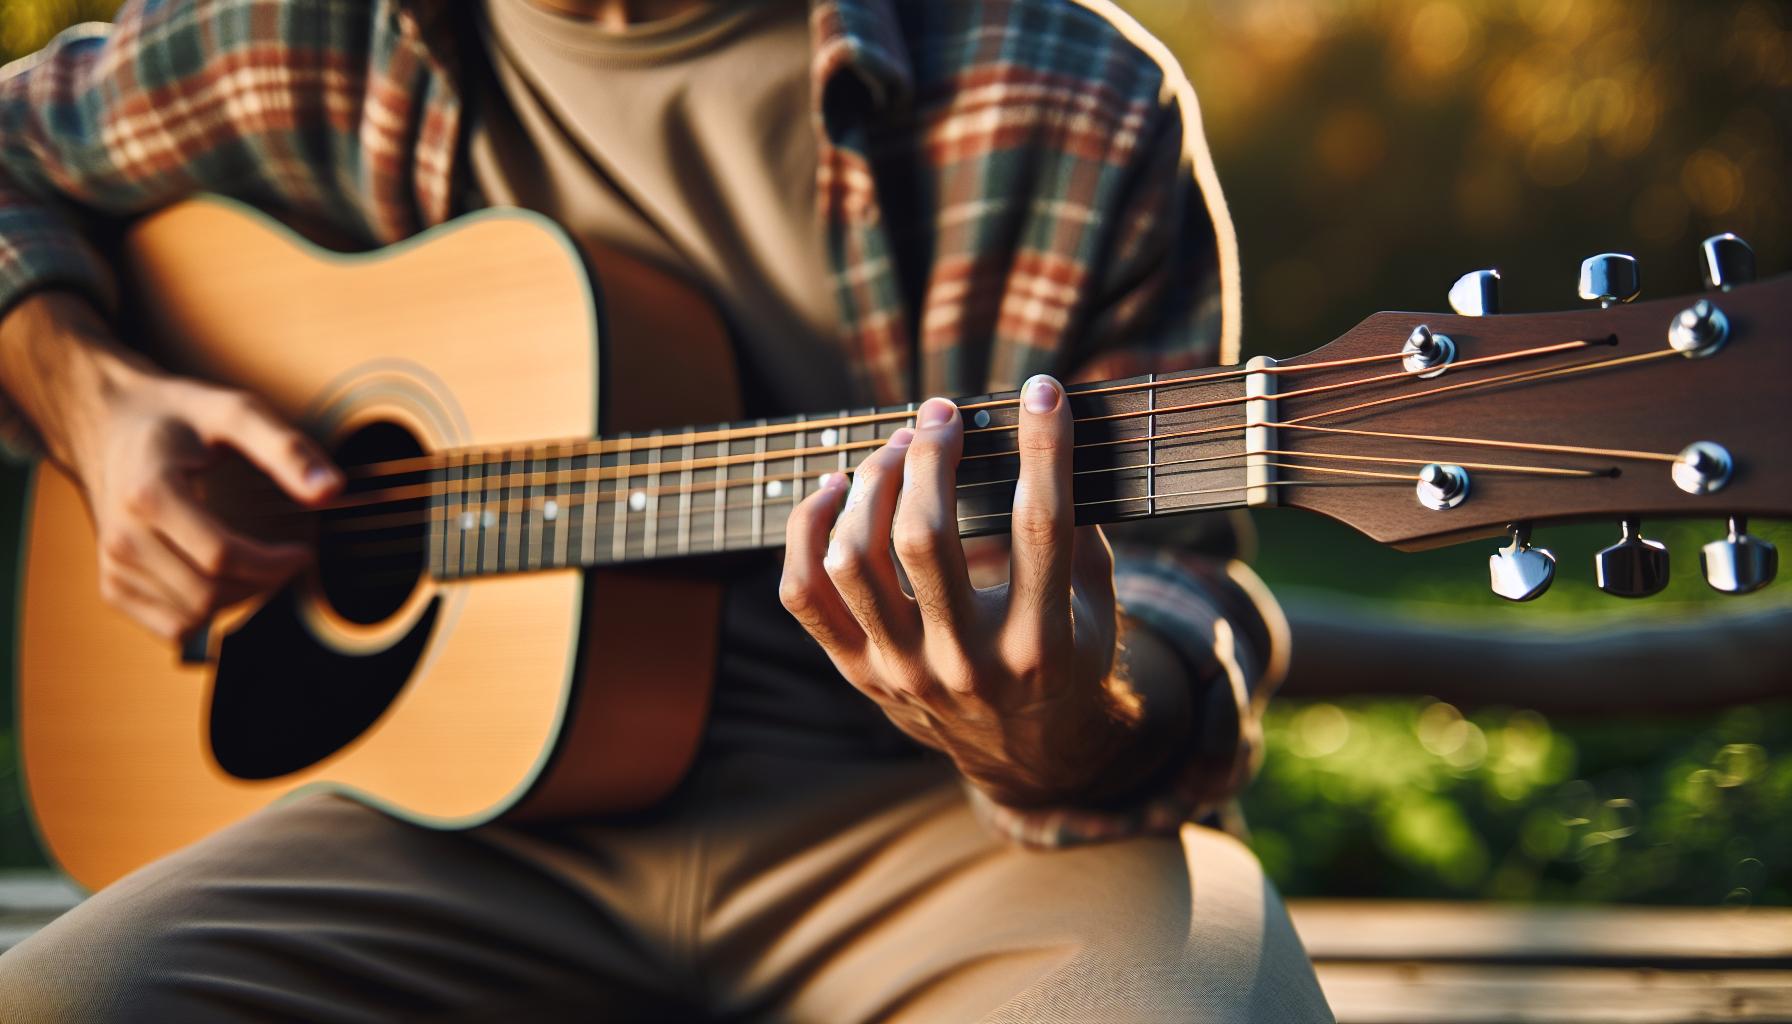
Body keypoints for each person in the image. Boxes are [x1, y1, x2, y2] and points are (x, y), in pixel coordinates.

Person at [0, 0, 1333, 1019]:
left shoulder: (1069, 91)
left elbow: (1169, 584)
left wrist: (1054, 722)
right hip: (431, 837)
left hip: (941, 828)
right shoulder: (318, 32)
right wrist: (93, 404)